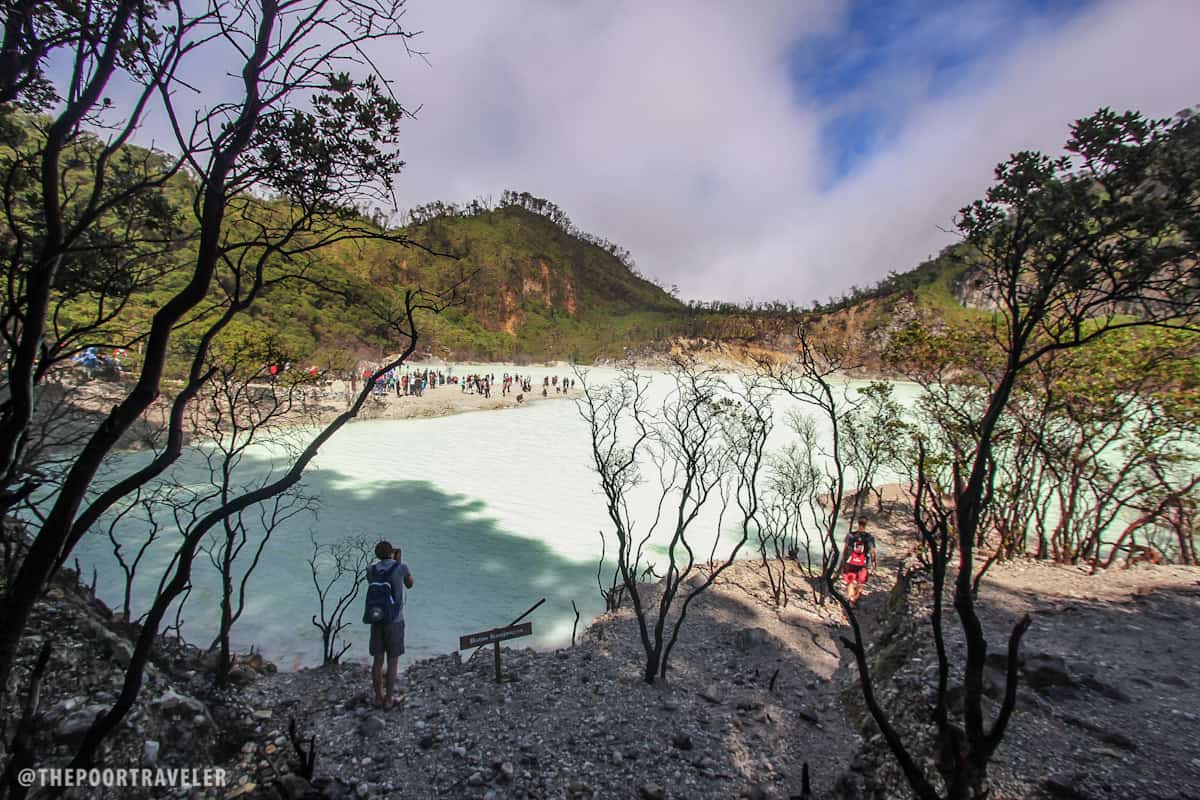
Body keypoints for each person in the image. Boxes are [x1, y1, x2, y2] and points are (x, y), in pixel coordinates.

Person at [365, 540, 414, 709]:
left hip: (377, 619)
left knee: (377, 661)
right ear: (392, 552)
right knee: (393, 661)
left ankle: (378, 698)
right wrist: (399, 562)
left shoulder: (371, 570)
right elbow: (410, 584)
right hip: (395, 620)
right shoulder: (401, 568)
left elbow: (372, 584)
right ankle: (389, 699)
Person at [840, 518, 876, 608]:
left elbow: (845, 549)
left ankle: (851, 601)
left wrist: (843, 560)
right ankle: (855, 599)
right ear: (866, 524)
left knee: (850, 581)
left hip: (850, 562)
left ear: (858, 523)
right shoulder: (869, 537)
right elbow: (872, 552)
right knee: (861, 582)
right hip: (862, 564)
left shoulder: (850, 535)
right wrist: (874, 564)